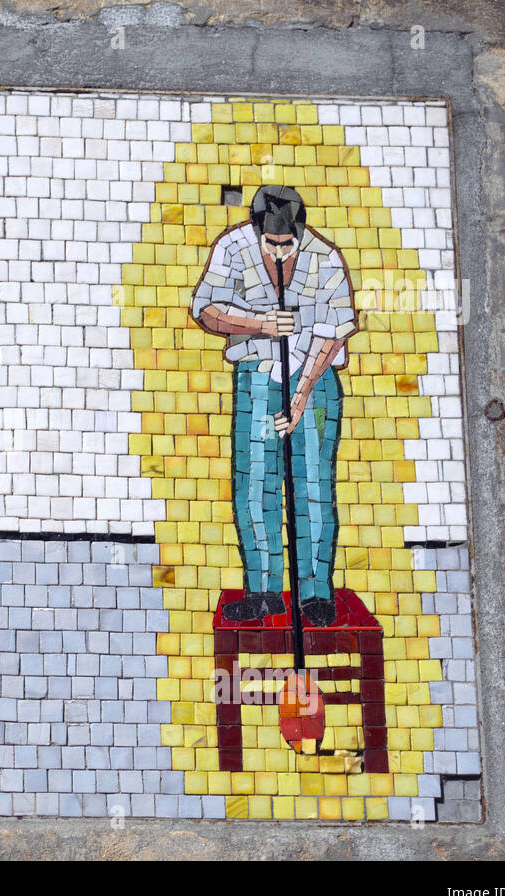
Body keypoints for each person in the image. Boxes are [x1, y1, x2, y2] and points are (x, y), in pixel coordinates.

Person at [191, 185, 359, 626]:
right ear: (256, 231)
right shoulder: (232, 247)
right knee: (254, 484)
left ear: (300, 234)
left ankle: (315, 594)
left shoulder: (325, 259)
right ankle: (264, 592)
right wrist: (259, 323)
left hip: (315, 380)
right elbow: (204, 309)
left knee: (313, 486)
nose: (280, 253)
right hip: (256, 378)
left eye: (288, 244)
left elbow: (335, 333)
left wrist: (301, 397)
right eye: (272, 244)